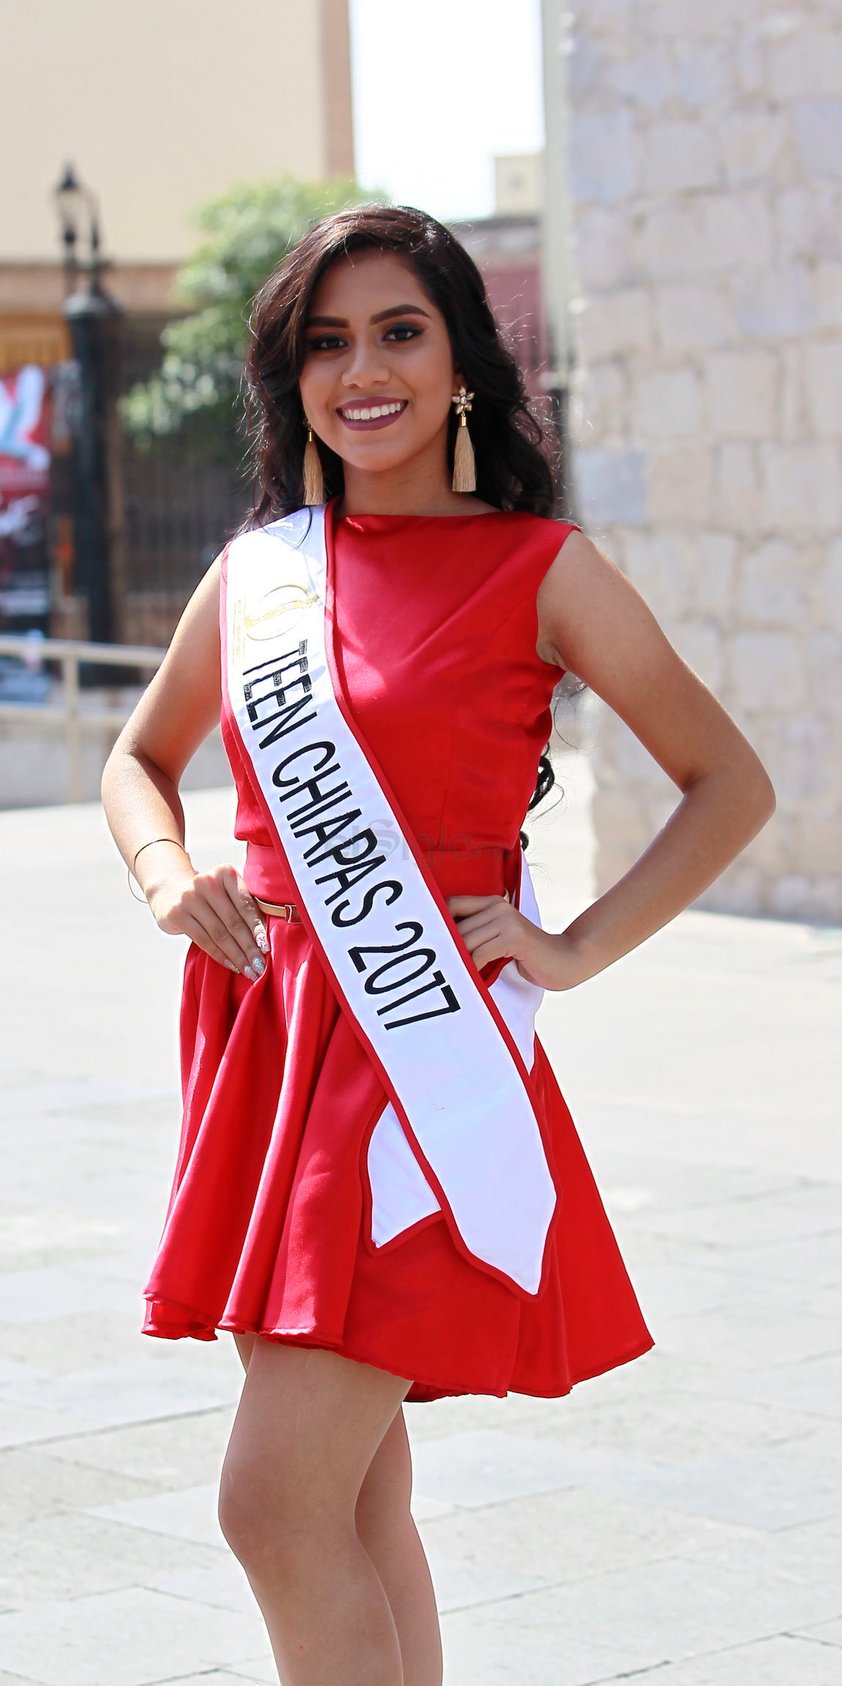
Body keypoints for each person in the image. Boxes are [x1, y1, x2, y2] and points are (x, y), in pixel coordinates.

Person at [100, 203, 776, 1686]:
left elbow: (729, 782)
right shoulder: (261, 569)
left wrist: (576, 943)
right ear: (293, 376)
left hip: (412, 1055)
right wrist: (166, 874)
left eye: (399, 330)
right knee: (350, 1496)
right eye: (327, 341)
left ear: (460, 358)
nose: (363, 370)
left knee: (271, 1506)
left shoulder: (538, 568)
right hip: (267, 1034)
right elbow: (137, 760)